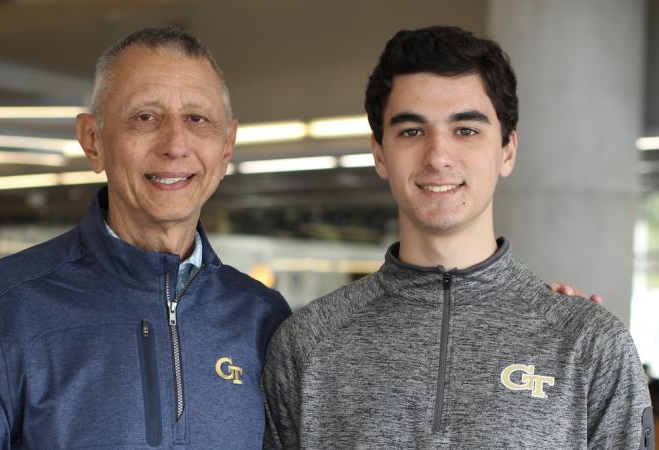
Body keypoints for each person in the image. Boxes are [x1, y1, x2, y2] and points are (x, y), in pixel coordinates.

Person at [262, 26, 654, 449]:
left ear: (507, 150)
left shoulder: (590, 344)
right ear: (379, 153)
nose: (438, 157)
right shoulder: (307, 344)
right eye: (412, 131)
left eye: (466, 130)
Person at [0, 28, 291, 449]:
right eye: (145, 117)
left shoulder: (263, 317)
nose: (175, 144)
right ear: (92, 140)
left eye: (197, 119)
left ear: (226, 147)